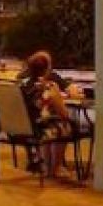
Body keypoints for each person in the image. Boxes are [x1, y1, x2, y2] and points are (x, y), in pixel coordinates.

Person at [19, 50, 79, 179]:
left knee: (49, 124)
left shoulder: (23, 85)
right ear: (47, 69)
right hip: (40, 130)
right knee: (64, 126)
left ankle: (47, 167)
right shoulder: (49, 87)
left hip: (24, 128)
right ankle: (56, 168)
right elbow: (64, 113)